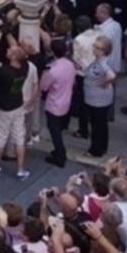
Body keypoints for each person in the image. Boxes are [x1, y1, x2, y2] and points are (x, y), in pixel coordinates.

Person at [0, 20, 37, 180]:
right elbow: (16, 48)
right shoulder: (25, 66)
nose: (8, 50)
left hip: (3, 108)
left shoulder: (4, 71)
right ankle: (21, 169)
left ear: (14, 57)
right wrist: (7, 32)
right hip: (18, 106)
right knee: (19, 138)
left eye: (10, 51)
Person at [40, 39, 76, 168]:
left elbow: (43, 87)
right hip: (66, 100)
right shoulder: (70, 64)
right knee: (58, 128)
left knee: (54, 132)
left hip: (54, 103)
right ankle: (59, 152)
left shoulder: (52, 70)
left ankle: (60, 155)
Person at [83, 36, 117, 157]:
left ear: (104, 51)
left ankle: (96, 149)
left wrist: (104, 83)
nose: (94, 49)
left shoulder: (103, 62)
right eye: (94, 46)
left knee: (97, 124)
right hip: (95, 98)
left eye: (98, 48)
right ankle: (102, 147)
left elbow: (111, 76)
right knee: (100, 123)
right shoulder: (97, 60)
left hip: (98, 99)